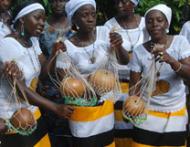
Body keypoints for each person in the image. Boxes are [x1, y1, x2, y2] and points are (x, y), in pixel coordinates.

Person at [0, 0, 74, 147]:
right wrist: (55, 107)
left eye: (43, 19)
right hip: (12, 116)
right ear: (22, 19)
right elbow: (19, 89)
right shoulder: (7, 45)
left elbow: (44, 74)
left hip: (33, 110)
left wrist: (54, 53)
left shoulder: (33, 41)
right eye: (37, 18)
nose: (41, 23)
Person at [55, 0, 129, 146]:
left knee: (106, 141)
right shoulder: (66, 46)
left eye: (93, 15)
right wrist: (87, 87)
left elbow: (124, 61)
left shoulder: (104, 34)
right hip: (81, 106)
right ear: (74, 19)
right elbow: (65, 83)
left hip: (104, 104)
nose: (90, 19)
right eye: (85, 15)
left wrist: (119, 46)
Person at [129, 4, 190, 147]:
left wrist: (171, 61)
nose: (154, 24)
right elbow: (134, 86)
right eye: (150, 21)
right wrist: (133, 107)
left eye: (159, 20)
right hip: (146, 114)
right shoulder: (139, 51)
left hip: (174, 114)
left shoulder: (180, 43)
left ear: (167, 23)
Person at [104, 0, 149, 146]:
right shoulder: (109, 26)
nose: (119, 5)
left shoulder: (146, 23)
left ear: (134, 3)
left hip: (143, 85)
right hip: (118, 87)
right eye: (116, 2)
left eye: (124, 2)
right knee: (121, 126)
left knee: (142, 125)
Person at [37, 0, 73, 146]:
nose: (58, 4)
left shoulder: (77, 21)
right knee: (53, 134)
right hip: (49, 88)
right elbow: (36, 59)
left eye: (62, 0)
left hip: (74, 86)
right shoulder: (40, 26)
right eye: (54, 0)